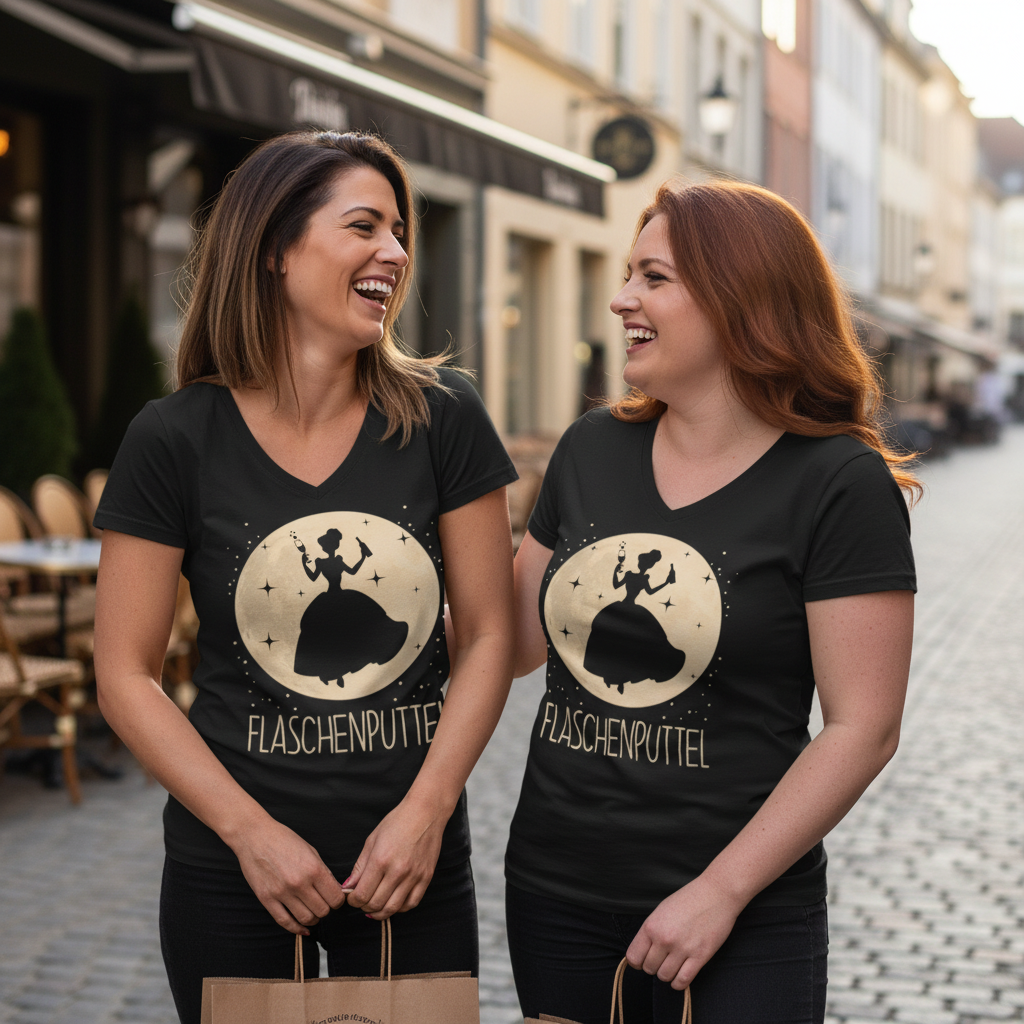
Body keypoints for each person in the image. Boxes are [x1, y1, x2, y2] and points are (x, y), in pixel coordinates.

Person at [93, 130, 516, 1024]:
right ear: (277, 249)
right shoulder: (173, 438)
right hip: (233, 861)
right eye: (364, 226)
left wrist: (426, 812)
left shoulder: (445, 419)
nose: (395, 253)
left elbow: (487, 635)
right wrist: (250, 834)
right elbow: (125, 674)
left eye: (400, 231)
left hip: (411, 859)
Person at [504, 180, 918, 1024]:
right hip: (557, 891)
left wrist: (720, 893)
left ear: (742, 301)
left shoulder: (838, 483)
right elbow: (509, 640)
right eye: (628, 275)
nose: (622, 299)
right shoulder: (591, 448)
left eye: (653, 278)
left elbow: (862, 728)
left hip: (743, 912)